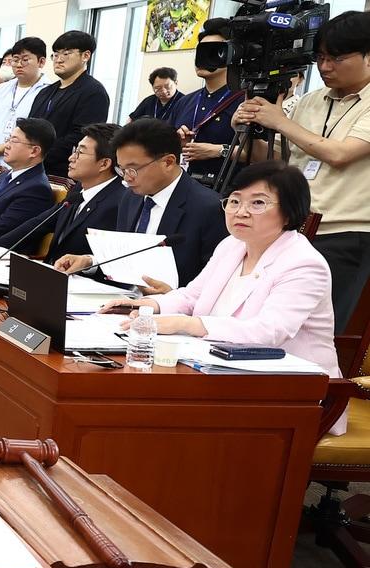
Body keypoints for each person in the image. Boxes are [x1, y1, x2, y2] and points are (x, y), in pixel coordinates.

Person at [102, 162, 343, 431]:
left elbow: (270, 332)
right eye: (235, 201)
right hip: (222, 374)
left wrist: (186, 324)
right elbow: (193, 295)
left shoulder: (303, 263)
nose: (241, 211)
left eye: (258, 203)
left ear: (288, 213)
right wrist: (151, 305)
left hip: (297, 392)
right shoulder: (232, 245)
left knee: (166, 416)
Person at [233, 10, 370, 332]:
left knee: (322, 328)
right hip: (294, 228)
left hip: (346, 234)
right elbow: (278, 159)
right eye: (320, 57)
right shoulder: (312, 100)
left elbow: (339, 154)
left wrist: (280, 121)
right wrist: (245, 128)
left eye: (337, 58)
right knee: (271, 323)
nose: (325, 67)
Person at [56, 118, 227, 289]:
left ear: (167, 162)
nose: (126, 177)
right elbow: (129, 256)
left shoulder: (207, 208)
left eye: (133, 169)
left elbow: (215, 283)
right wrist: (90, 261)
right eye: (121, 169)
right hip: (120, 300)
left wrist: (172, 296)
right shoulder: (130, 197)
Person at [0, 123, 128, 262]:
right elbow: (37, 225)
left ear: (104, 164)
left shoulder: (120, 203)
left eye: (80, 153)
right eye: (75, 150)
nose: (71, 158)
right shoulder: (78, 190)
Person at [172, 18, 243, 185]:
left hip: (230, 191)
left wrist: (219, 151)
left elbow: (264, 155)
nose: (203, 58)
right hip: (187, 187)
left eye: (212, 51)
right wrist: (178, 142)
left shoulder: (247, 100)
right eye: (200, 51)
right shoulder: (185, 101)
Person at [31, 31, 110, 177]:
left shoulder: (93, 92)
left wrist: (37, 156)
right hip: (32, 167)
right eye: (55, 54)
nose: (58, 60)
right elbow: (30, 128)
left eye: (66, 54)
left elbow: (79, 137)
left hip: (62, 173)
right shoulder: (45, 92)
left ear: (86, 56)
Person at [0, 37, 51, 165]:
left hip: (19, 166)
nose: (19, 64)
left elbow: (33, 135)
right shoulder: (1, 89)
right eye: (15, 60)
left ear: (41, 62)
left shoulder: (48, 92)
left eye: (25, 60)